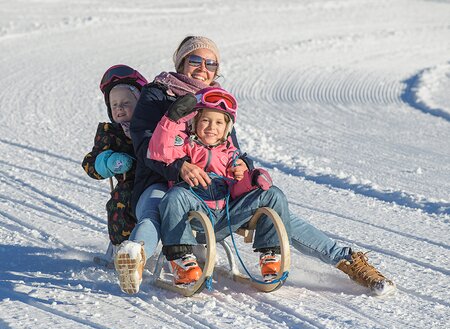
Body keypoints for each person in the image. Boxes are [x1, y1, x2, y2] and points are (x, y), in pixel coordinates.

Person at [115, 35, 394, 296]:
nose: (203, 68)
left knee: (275, 207)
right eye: (195, 61)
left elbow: (231, 149)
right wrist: (180, 168)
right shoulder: (158, 94)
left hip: (214, 190)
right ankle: (134, 255)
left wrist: (245, 171)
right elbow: (147, 146)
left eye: (210, 63)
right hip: (160, 180)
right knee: (156, 210)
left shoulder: (217, 100)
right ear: (181, 63)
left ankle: (345, 259)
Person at [149, 87, 280, 284]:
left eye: (219, 122)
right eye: (205, 120)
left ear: (227, 128)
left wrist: (250, 179)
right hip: (195, 214)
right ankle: (181, 259)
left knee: (273, 194)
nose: (212, 127)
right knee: (174, 196)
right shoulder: (186, 145)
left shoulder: (231, 153)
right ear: (195, 122)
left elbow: (237, 191)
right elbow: (160, 152)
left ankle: (270, 254)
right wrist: (171, 120)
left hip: (228, 215)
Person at [82, 64, 148, 249]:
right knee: (120, 202)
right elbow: (90, 163)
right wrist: (108, 162)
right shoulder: (110, 133)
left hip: (157, 178)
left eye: (126, 103)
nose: (120, 108)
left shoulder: (153, 127)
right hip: (131, 182)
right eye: (114, 104)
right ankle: (122, 247)